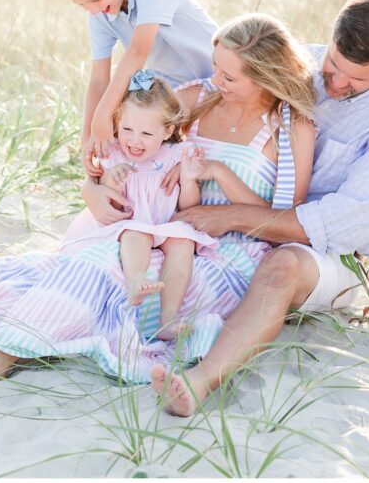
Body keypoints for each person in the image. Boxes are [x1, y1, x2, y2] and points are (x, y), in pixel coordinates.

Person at [0, 13, 317, 386]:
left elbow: (282, 220)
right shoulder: (198, 98)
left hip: (227, 253)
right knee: (92, 254)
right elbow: (131, 140)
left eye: (230, 76)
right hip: (157, 223)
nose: (216, 79)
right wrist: (93, 188)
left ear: (264, 77)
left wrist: (216, 173)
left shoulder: (290, 126)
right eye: (215, 67)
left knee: (106, 273)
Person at [139, 0, 369, 416]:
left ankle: (199, 382)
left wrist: (232, 215)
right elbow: (215, 85)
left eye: (356, 80)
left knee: (284, 265)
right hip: (251, 222)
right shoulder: (298, 65)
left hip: (332, 255)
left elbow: (335, 225)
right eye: (333, 65)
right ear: (330, 40)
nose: (337, 83)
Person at [60, 69, 268, 340]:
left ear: (168, 130)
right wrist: (112, 179)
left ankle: (167, 320)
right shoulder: (113, 153)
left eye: (146, 133)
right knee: (137, 233)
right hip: (129, 225)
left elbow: (186, 206)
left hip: (166, 224)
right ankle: (136, 280)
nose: (134, 140)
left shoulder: (176, 155)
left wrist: (190, 179)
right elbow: (107, 200)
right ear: (117, 123)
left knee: (183, 241)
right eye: (127, 129)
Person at [50, 0, 217, 180]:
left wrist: (103, 115)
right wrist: (88, 139)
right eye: (82, 5)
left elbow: (138, 53)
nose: (92, 10)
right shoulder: (101, 12)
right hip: (170, 89)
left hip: (213, 78)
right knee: (127, 126)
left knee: (129, 117)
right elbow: (98, 81)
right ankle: (119, 185)